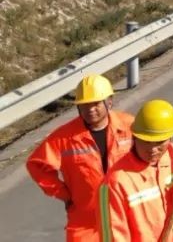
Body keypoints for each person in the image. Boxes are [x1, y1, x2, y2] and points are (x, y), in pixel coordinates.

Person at [26, 75, 134, 242]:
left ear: (109, 101)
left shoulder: (130, 126)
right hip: (87, 223)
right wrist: (63, 194)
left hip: (128, 215)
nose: (90, 109)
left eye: (96, 104)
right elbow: (37, 165)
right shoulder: (64, 137)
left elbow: (155, 155)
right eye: (84, 105)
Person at [102, 99, 173, 242]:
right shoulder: (116, 181)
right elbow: (112, 236)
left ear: (170, 138)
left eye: (159, 142)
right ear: (135, 137)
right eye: (146, 142)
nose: (152, 149)